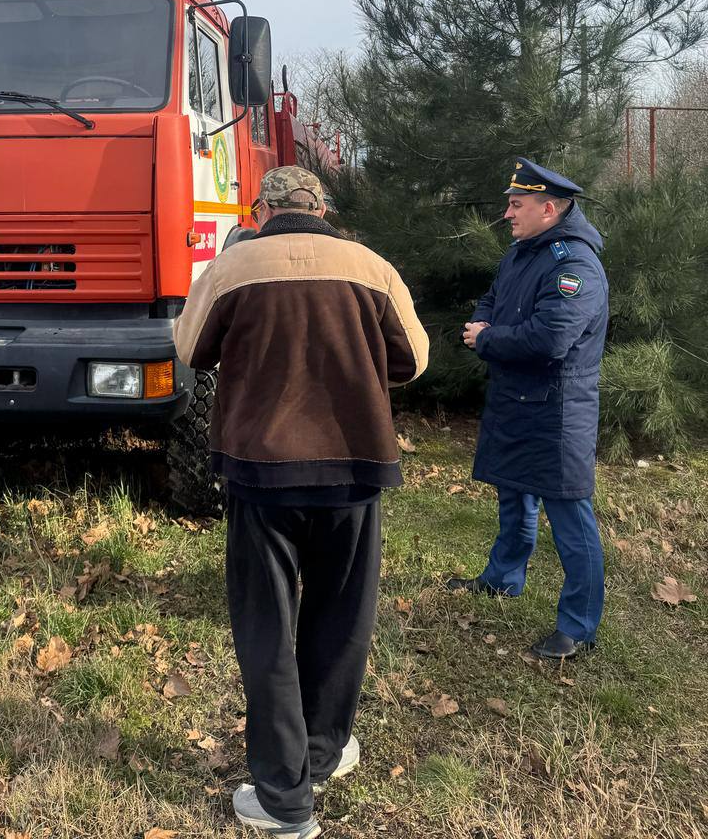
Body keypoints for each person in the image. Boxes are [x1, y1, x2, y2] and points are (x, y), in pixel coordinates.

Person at [173, 166, 429, 839]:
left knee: (267, 629)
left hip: (262, 473)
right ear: (322, 206)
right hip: (354, 468)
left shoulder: (235, 268)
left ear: (260, 209)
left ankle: (285, 801)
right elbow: (414, 361)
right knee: (343, 618)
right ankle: (323, 753)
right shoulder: (370, 266)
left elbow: (190, 349)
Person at [452, 157, 609, 660]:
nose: (507, 213)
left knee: (569, 515)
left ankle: (579, 627)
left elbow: (551, 338)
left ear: (549, 208)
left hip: (558, 410)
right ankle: (503, 578)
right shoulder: (523, 252)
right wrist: (483, 324)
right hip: (518, 400)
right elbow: (491, 298)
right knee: (513, 495)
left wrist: (489, 338)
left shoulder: (573, 264)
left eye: (516, 204)